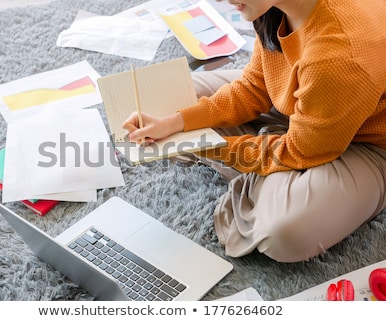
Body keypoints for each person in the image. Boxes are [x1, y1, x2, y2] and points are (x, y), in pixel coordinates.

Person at [123, 0, 386, 263]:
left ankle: (272, 173)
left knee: (283, 234)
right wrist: (176, 122)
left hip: (366, 144)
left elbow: (299, 150)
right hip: (302, 108)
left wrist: (205, 145)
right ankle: (268, 166)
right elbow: (254, 87)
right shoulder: (276, 7)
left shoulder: (336, 53)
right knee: (163, 98)